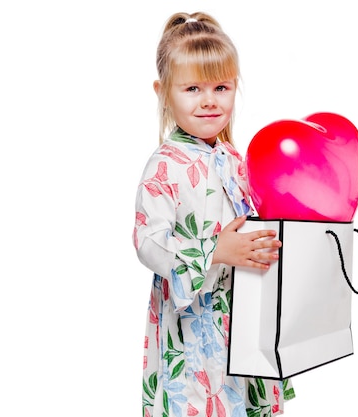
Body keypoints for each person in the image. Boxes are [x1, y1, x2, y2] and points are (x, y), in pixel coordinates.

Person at [133, 12, 295, 417]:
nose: (209, 99)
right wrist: (214, 249)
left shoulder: (236, 160)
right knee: (200, 400)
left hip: (239, 314)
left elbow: (256, 219)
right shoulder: (165, 165)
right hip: (194, 320)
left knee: (240, 399)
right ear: (164, 92)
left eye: (221, 87)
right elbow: (148, 241)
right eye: (192, 88)